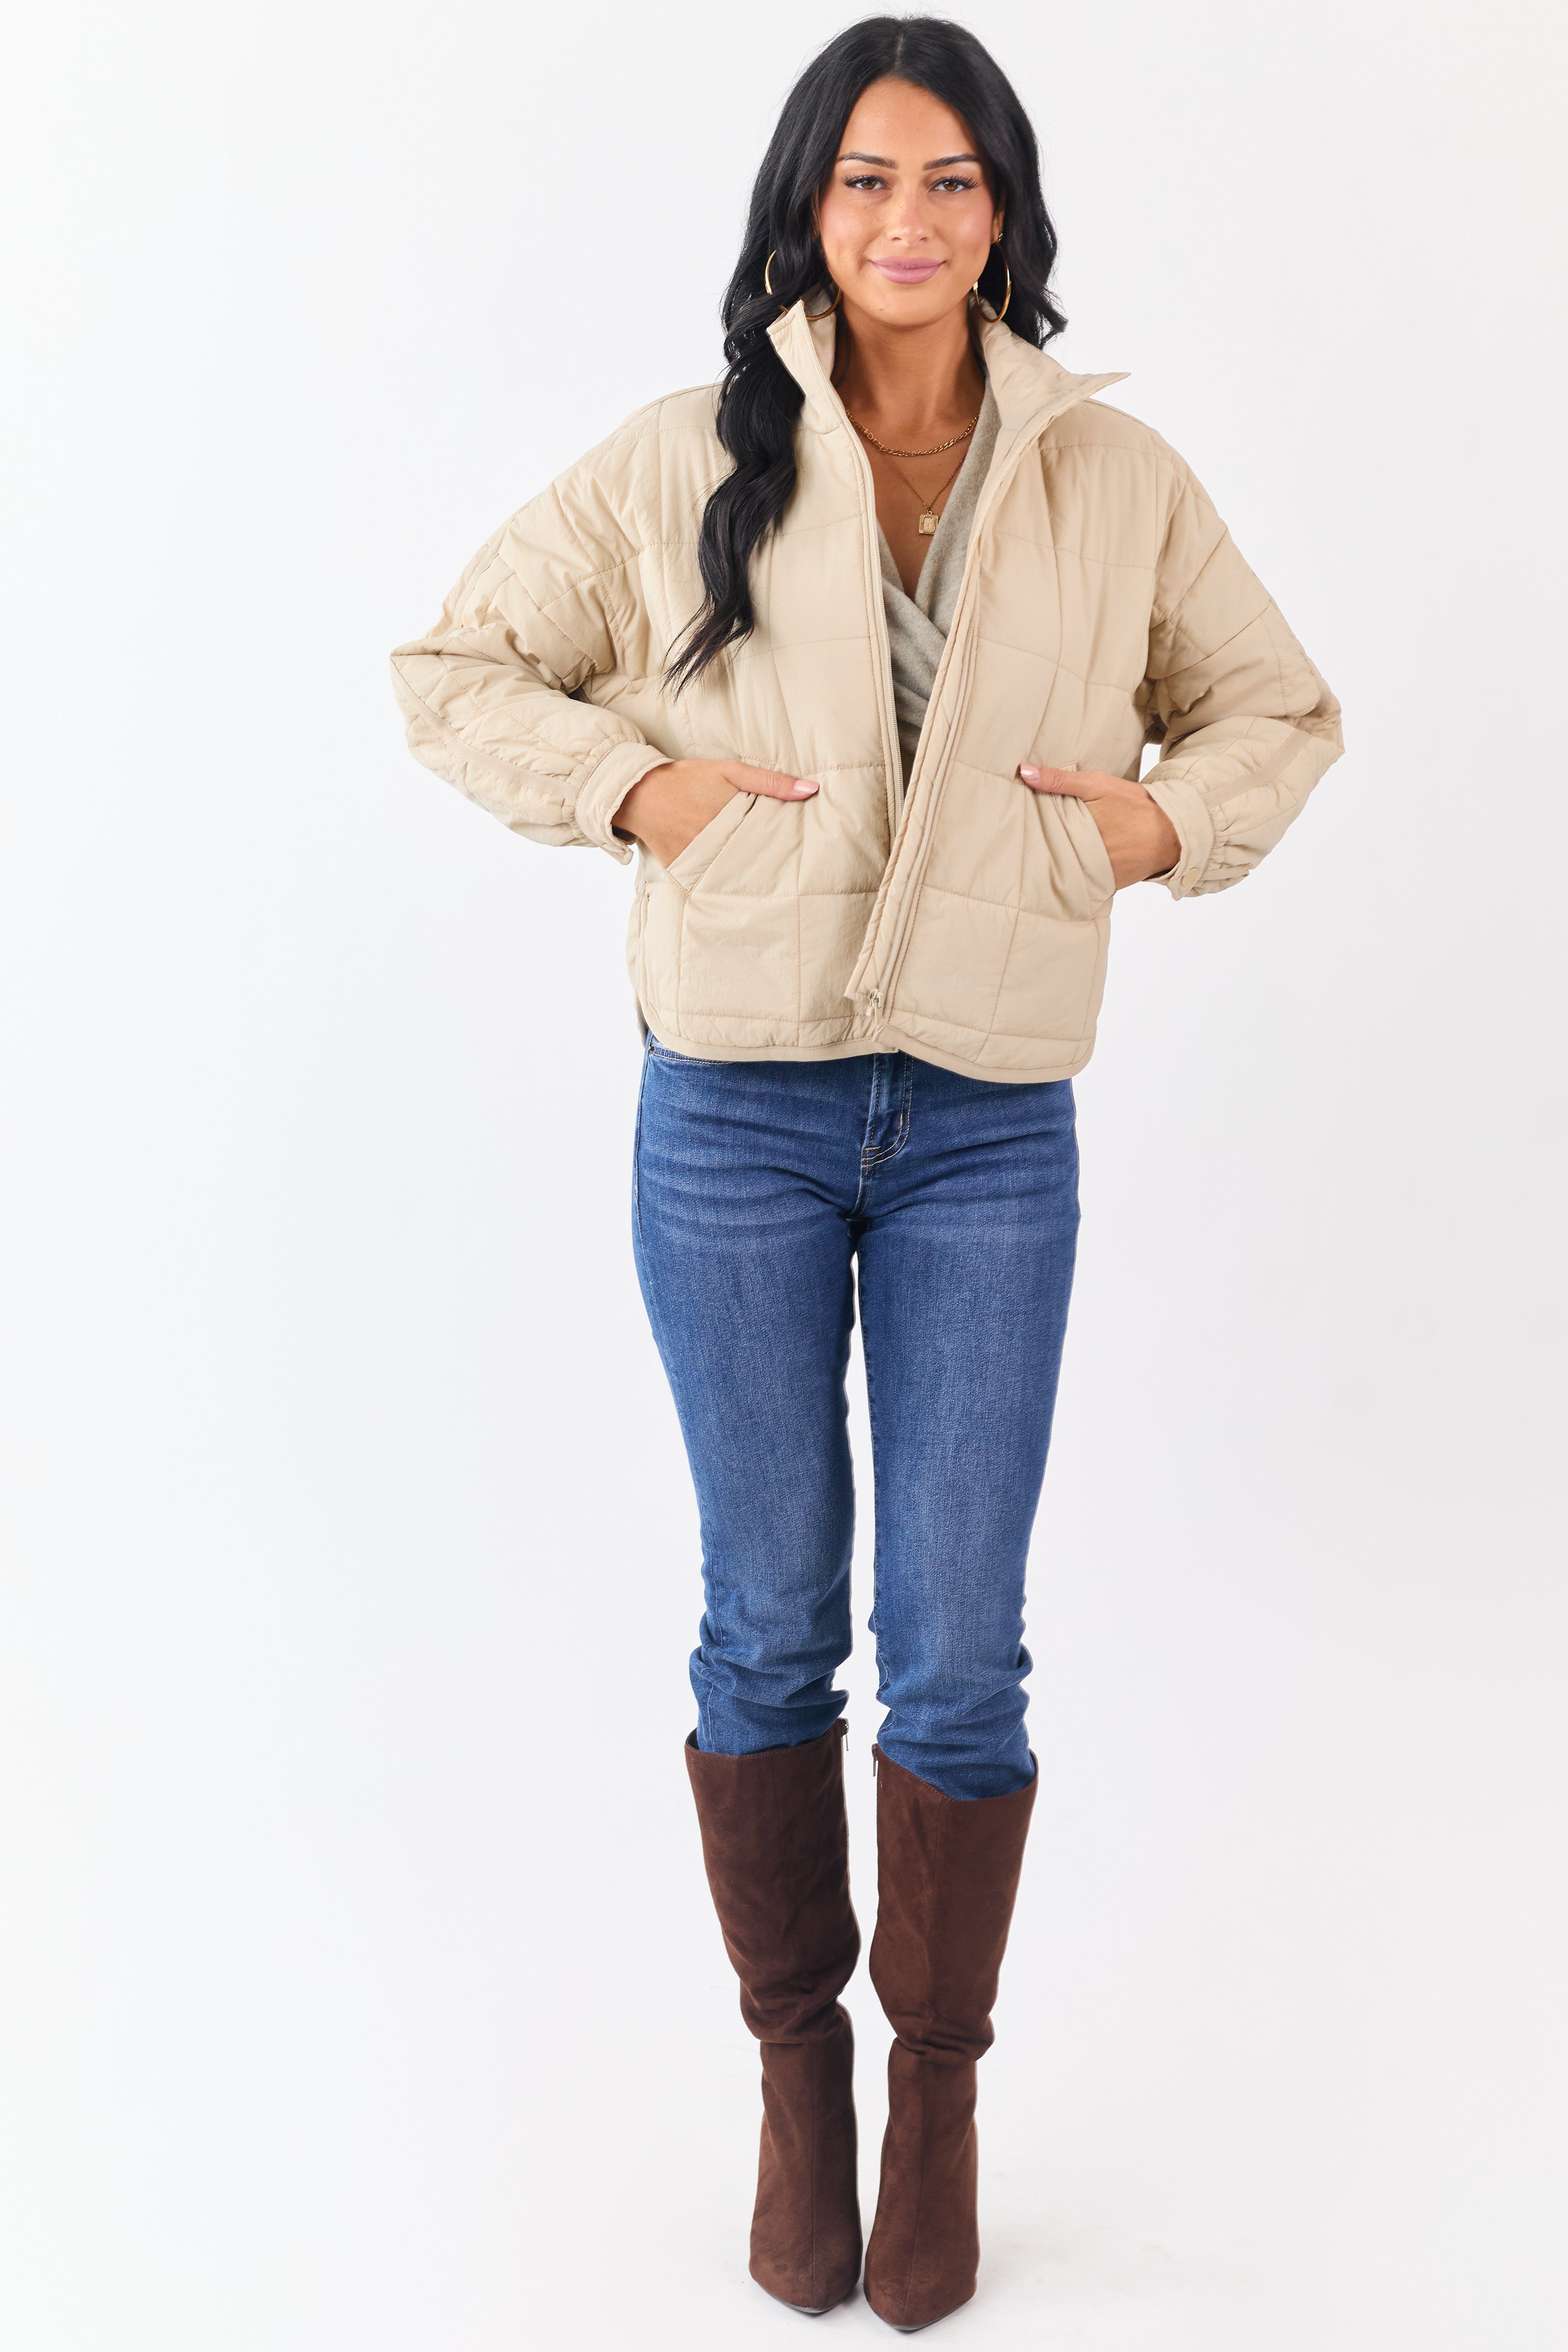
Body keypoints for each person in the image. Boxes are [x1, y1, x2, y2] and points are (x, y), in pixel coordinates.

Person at [390, 14, 1342, 2331]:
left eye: (947, 181)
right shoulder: (683, 456)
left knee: (956, 1649)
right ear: (804, 211)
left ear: (1002, 211)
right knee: (764, 1619)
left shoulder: (1108, 476)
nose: (905, 223)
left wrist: (1151, 827)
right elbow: (456, 668)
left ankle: (936, 2098)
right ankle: (794, 2084)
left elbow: (1273, 710)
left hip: (988, 1125)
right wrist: (638, 793)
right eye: (862, 181)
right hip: (731, 1103)